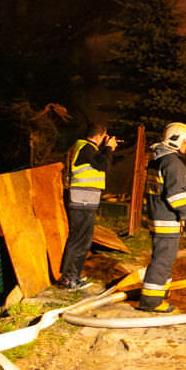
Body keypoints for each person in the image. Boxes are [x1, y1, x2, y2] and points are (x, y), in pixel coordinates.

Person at [138, 122, 186, 313]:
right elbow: (176, 195)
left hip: (157, 216)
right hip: (167, 219)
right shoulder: (174, 164)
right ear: (176, 140)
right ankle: (151, 301)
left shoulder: (158, 159)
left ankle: (161, 291)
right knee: (162, 260)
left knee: (163, 258)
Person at [59, 122, 117, 289]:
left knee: (84, 241)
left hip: (86, 200)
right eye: (104, 137)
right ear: (99, 136)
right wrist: (109, 148)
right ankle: (68, 279)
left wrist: (106, 149)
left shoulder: (88, 149)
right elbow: (104, 165)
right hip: (81, 200)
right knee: (78, 239)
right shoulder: (86, 147)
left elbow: (100, 162)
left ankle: (75, 276)